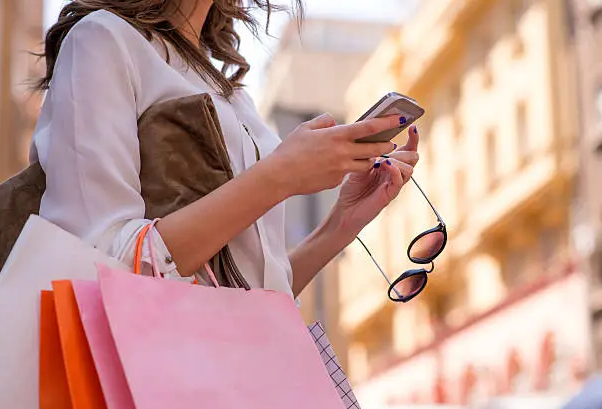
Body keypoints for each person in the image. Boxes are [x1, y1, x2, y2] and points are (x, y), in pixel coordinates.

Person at [31, 0, 420, 298]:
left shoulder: (232, 96)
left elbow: (257, 296)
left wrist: (341, 224)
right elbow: (98, 263)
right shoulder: (102, 40)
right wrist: (281, 175)